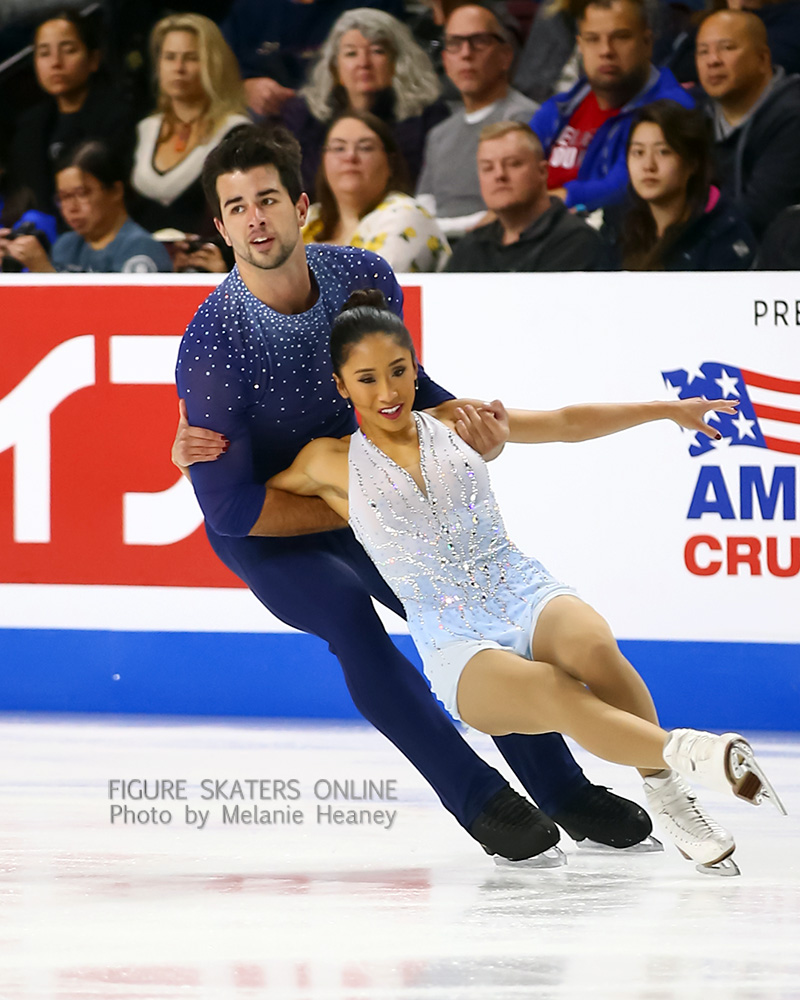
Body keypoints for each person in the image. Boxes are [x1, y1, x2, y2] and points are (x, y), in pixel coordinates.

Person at [171, 122, 657, 864]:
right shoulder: (214, 344)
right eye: (237, 208)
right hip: (272, 526)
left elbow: (412, 390)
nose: (255, 219)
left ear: (300, 205)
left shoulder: (361, 277)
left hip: (366, 492)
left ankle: (562, 789)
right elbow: (231, 509)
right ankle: (476, 796)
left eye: (267, 199)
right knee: (349, 617)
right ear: (221, 225)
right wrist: (361, 501)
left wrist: (470, 428)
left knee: (462, 608)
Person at [264, 287, 785, 876]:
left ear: (415, 367)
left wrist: (665, 410)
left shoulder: (456, 421)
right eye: (367, 379)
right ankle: (694, 754)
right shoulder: (325, 461)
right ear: (341, 386)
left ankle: (671, 798)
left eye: (399, 371)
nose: (388, 392)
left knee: (593, 644)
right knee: (555, 693)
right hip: (454, 636)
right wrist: (191, 461)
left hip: (519, 588)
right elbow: (248, 507)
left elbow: (565, 423)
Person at [530, 0, 693, 211]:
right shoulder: (562, 106)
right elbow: (515, 164)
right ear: (580, 46)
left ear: (647, 42)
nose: (606, 51)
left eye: (621, 37)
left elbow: (626, 185)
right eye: (593, 39)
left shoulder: (672, 108)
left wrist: (544, 203)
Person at [280, 8, 449, 195]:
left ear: (398, 61)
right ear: (335, 68)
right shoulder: (305, 116)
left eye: (377, 51)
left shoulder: (428, 115)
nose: (363, 63)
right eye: (351, 53)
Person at [416, 3, 539, 238]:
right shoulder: (439, 134)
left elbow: (520, 206)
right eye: (455, 43)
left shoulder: (525, 120)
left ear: (505, 56)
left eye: (479, 41)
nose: (466, 54)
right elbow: (424, 203)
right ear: (445, 60)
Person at [130, 13, 251, 238]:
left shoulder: (236, 133)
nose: (178, 67)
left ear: (213, 64)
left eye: (191, 58)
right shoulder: (145, 128)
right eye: (169, 57)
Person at [7, 7, 135, 218]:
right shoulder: (29, 126)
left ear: (93, 59)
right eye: (44, 53)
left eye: (68, 50)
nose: (56, 63)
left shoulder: (118, 117)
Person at [694, 9, 800, 238]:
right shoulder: (695, 113)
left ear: (763, 58)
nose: (713, 60)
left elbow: (759, 214)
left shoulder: (792, 116)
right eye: (703, 51)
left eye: (727, 48)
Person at [446, 121, 607, 271]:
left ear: (542, 172)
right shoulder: (470, 246)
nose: (499, 175)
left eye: (513, 164)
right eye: (488, 168)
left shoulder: (577, 242)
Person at [303, 111, 450, 273]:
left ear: (390, 163)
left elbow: (373, 284)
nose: (350, 156)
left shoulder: (406, 214)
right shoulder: (309, 218)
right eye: (339, 148)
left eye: (365, 148)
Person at [617, 99, 756, 269]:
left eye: (663, 152)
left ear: (692, 163)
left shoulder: (725, 234)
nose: (648, 166)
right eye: (638, 152)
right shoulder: (622, 225)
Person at [2, 139, 173, 274]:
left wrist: (44, 271)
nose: (71, 207)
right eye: (63, 197)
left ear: (116, 191)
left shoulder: (141, 248)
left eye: (82, 193)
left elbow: (124, 308)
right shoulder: (65, 245)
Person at [221, 0, 405, 118]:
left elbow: (401, 64)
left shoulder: (373, 4)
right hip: (271, 119)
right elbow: (218, 66)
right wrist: (246, 86)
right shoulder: (249, 9)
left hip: (353, 112)